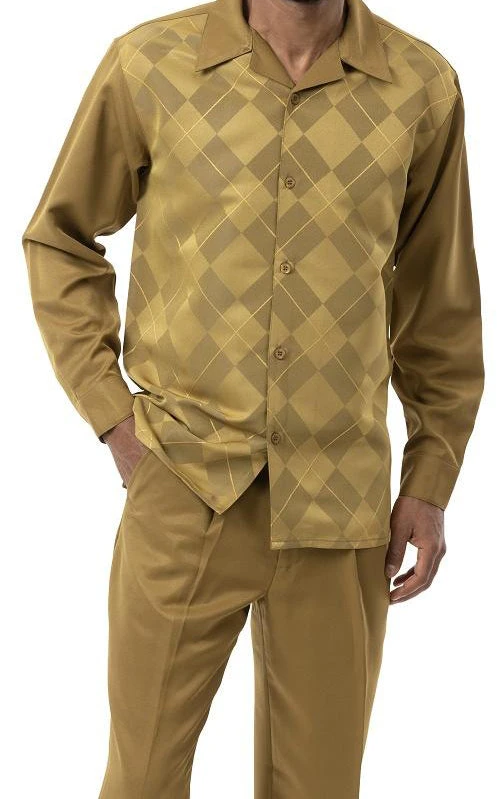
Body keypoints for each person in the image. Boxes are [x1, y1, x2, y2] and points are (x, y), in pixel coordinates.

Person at [21, 0, 484, 795]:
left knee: (320, 787)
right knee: (141, 780)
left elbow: (440, 309)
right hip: (183, 482)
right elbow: (59, 238)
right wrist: (115, 418)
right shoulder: (151, 64)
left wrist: (431, 479)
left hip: (340, 508)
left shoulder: (421, 88)